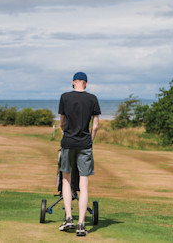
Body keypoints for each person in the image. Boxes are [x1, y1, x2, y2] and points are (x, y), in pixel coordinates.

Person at [58, 72, 101, 236]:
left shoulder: (64, 97)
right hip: (85, 144)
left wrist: (66, 133)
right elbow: (95, 126)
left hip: (68, 143)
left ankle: (69, 218)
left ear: (73, 82)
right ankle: (81, 224)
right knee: (83, 184)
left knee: (66, 180)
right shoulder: (93, 99)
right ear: (86, 83)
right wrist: (90, 140)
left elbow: (62, 123)